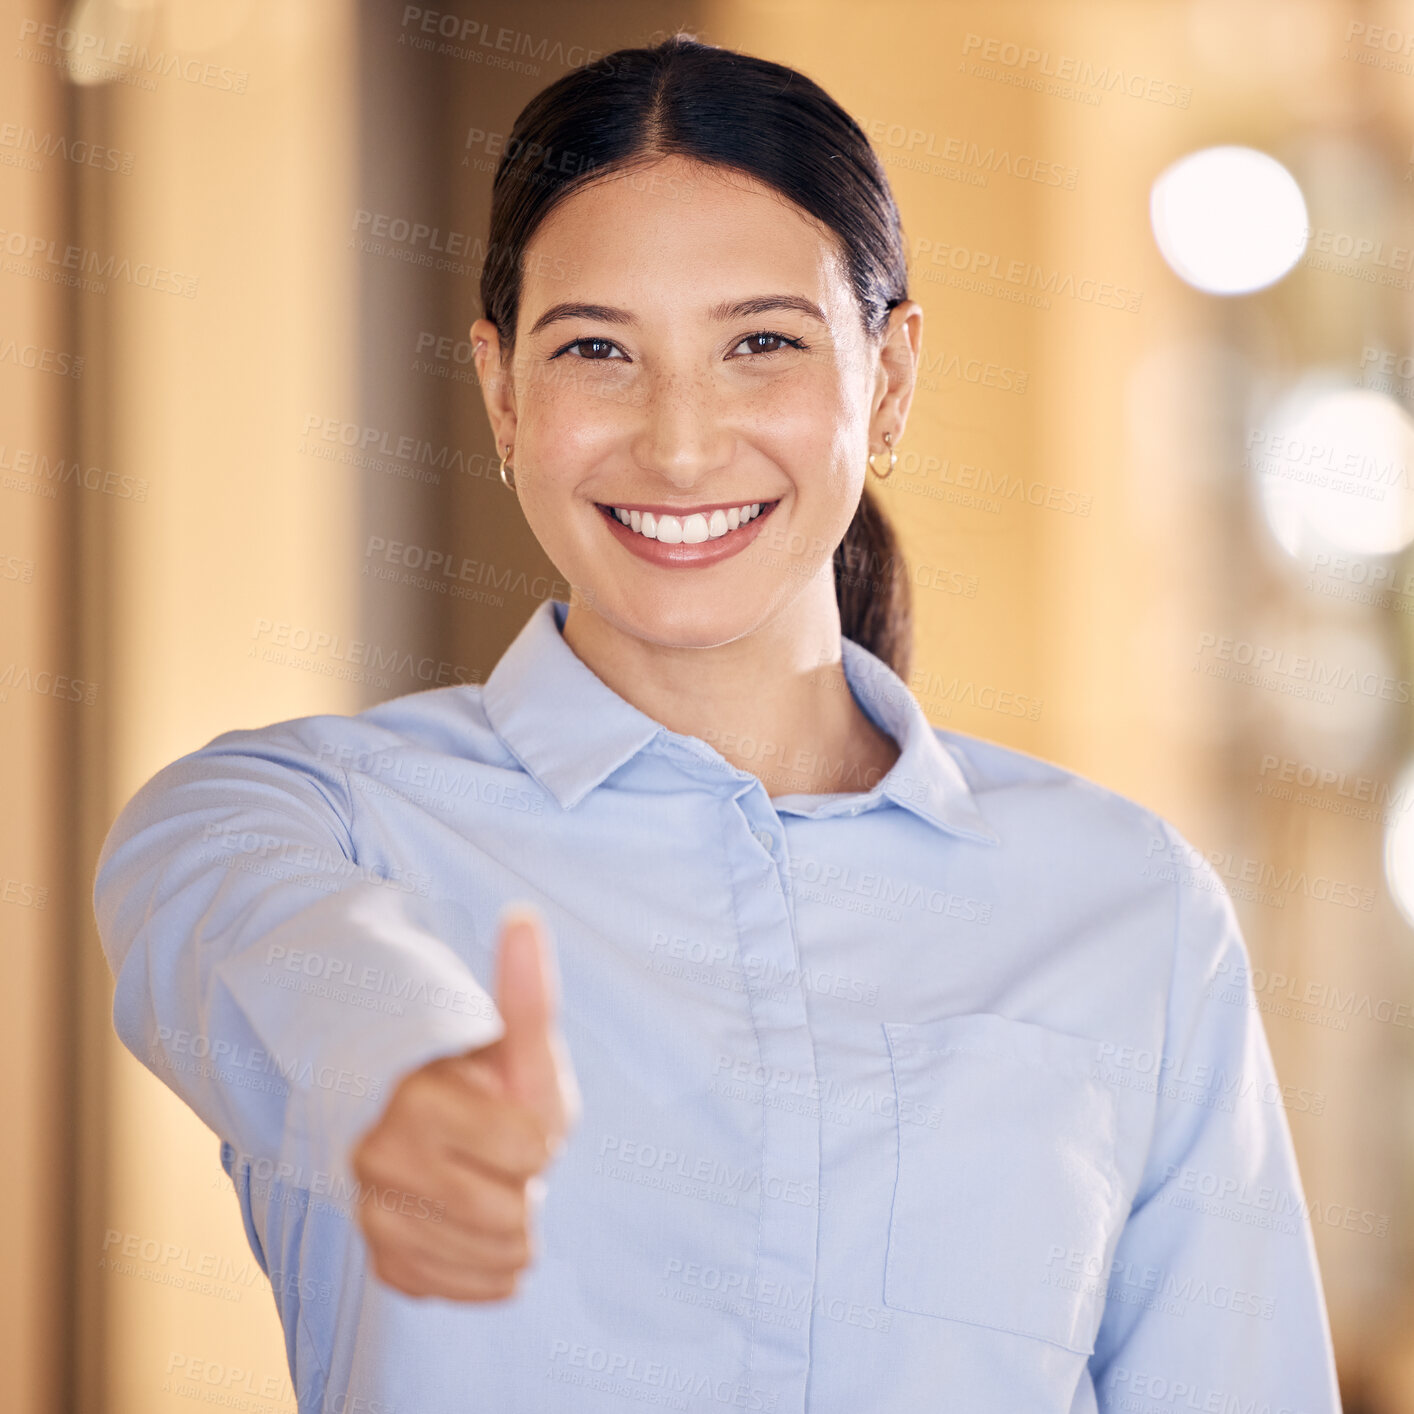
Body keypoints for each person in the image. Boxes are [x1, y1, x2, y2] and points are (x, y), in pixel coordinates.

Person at [93, 32, 1343, 1414]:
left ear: (890, 377)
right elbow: (237, 925)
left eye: (760, 343)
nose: (678, 444)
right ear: (502, 390)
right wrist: (403, 1078)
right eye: (595, 349)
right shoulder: (308, 814)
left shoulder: (1128, 907)